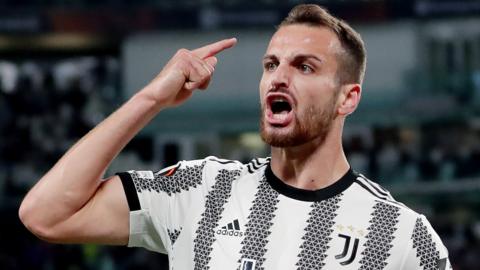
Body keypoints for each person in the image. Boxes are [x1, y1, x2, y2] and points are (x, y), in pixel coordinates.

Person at [19, 4, 451, 270]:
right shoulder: (200, 189)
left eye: (304, 67)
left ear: (347, 98)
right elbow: (46, 214)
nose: (278, 77)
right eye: (270, 64)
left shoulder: (401, 236)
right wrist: (150, 98)